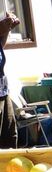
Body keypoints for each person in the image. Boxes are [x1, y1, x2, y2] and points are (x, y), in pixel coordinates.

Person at [0, 12, 20, 148]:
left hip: (2, 89)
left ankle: (10, 165)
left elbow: (1, 44)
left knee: (9, 133)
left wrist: (7, 29)